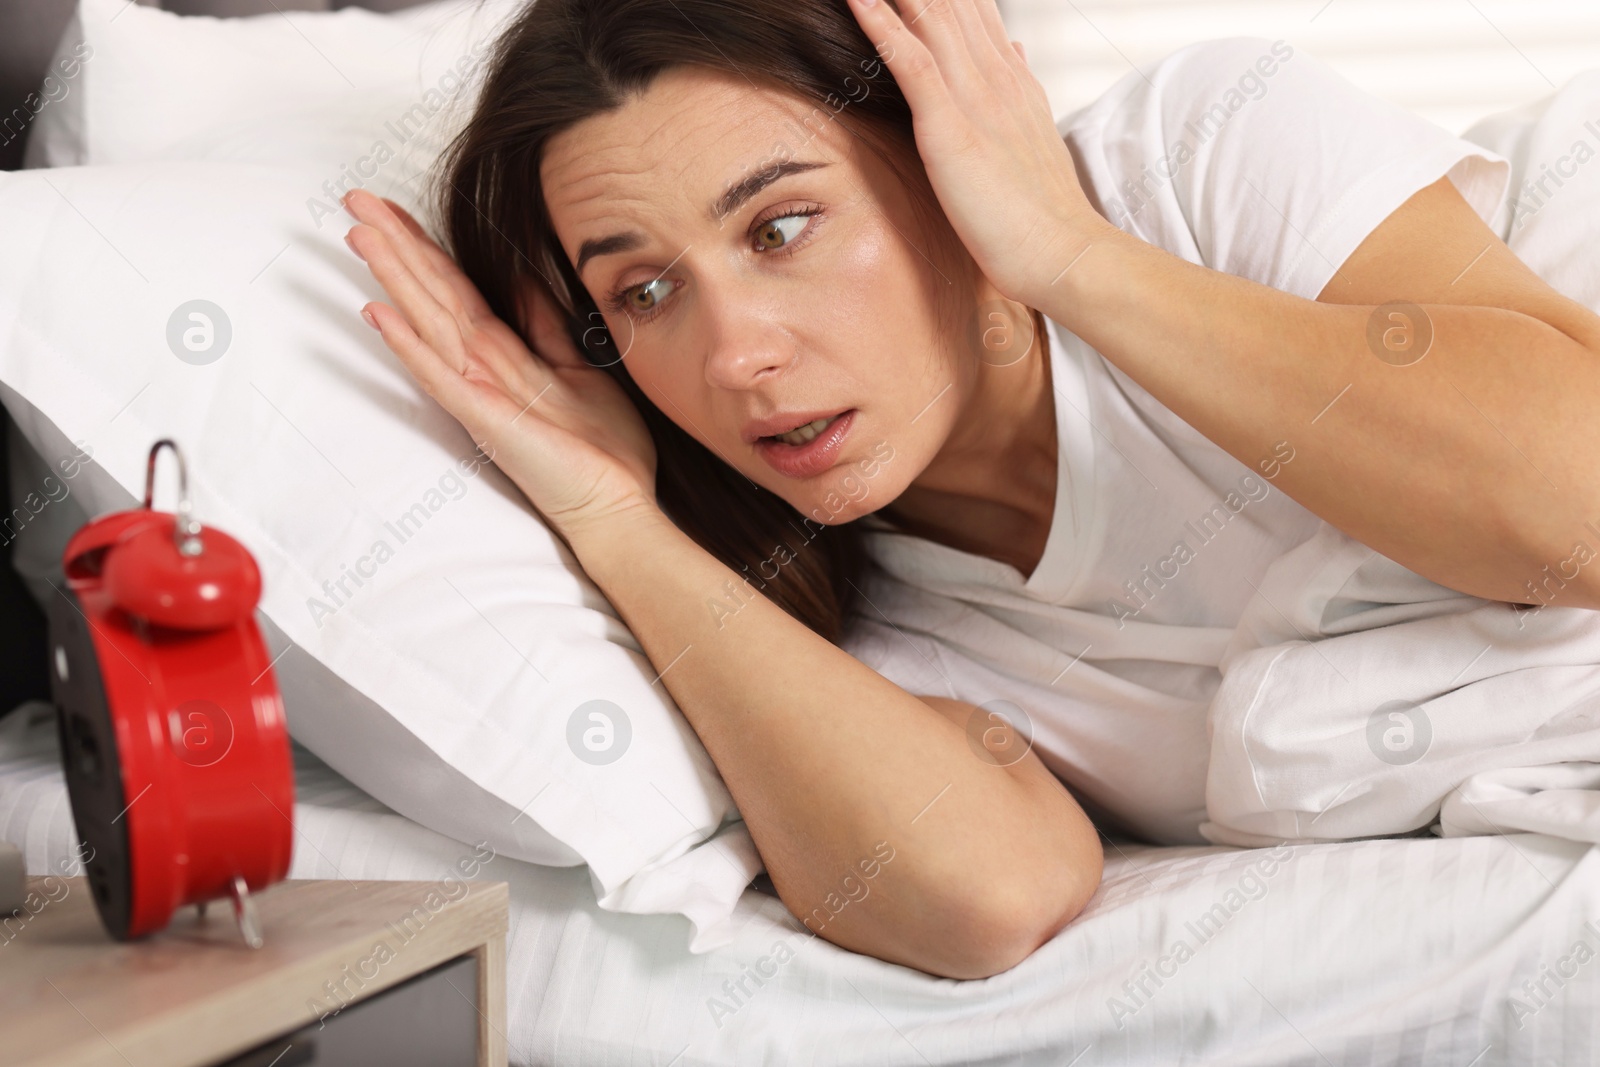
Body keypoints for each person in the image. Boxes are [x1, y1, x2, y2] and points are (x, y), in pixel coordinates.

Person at [340, 0, 1600, 979]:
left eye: (780, 228)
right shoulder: (858, 622)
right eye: (646, 293)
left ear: (944, 157)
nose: (736, 357)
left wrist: (1064, 255)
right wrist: (615, 519)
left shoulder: (1196, 160)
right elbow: (983, 897)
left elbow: (1578, 504)